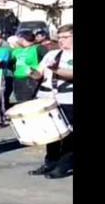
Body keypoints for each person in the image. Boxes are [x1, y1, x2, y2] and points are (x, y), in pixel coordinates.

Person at [28, 24, 74, 179]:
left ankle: (63, 166)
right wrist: (31, 72)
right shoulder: (52, 54)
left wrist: (56, 70)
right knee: (51, 134)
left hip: (68, 99)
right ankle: (50, 163)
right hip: (47, 98)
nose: (61, 40)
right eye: (59, 37)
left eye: (65, 37)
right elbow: (39, 74)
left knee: (67, 135)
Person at [10, 30, 49, 104]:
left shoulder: (38, 48)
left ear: (22, 39)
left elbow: (48, 60)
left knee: (30, 102)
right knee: (20, 102)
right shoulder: (16, 51)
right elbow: (11, 63)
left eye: (18, 39)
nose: (17, 41)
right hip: (18, 79)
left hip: (31, 80)